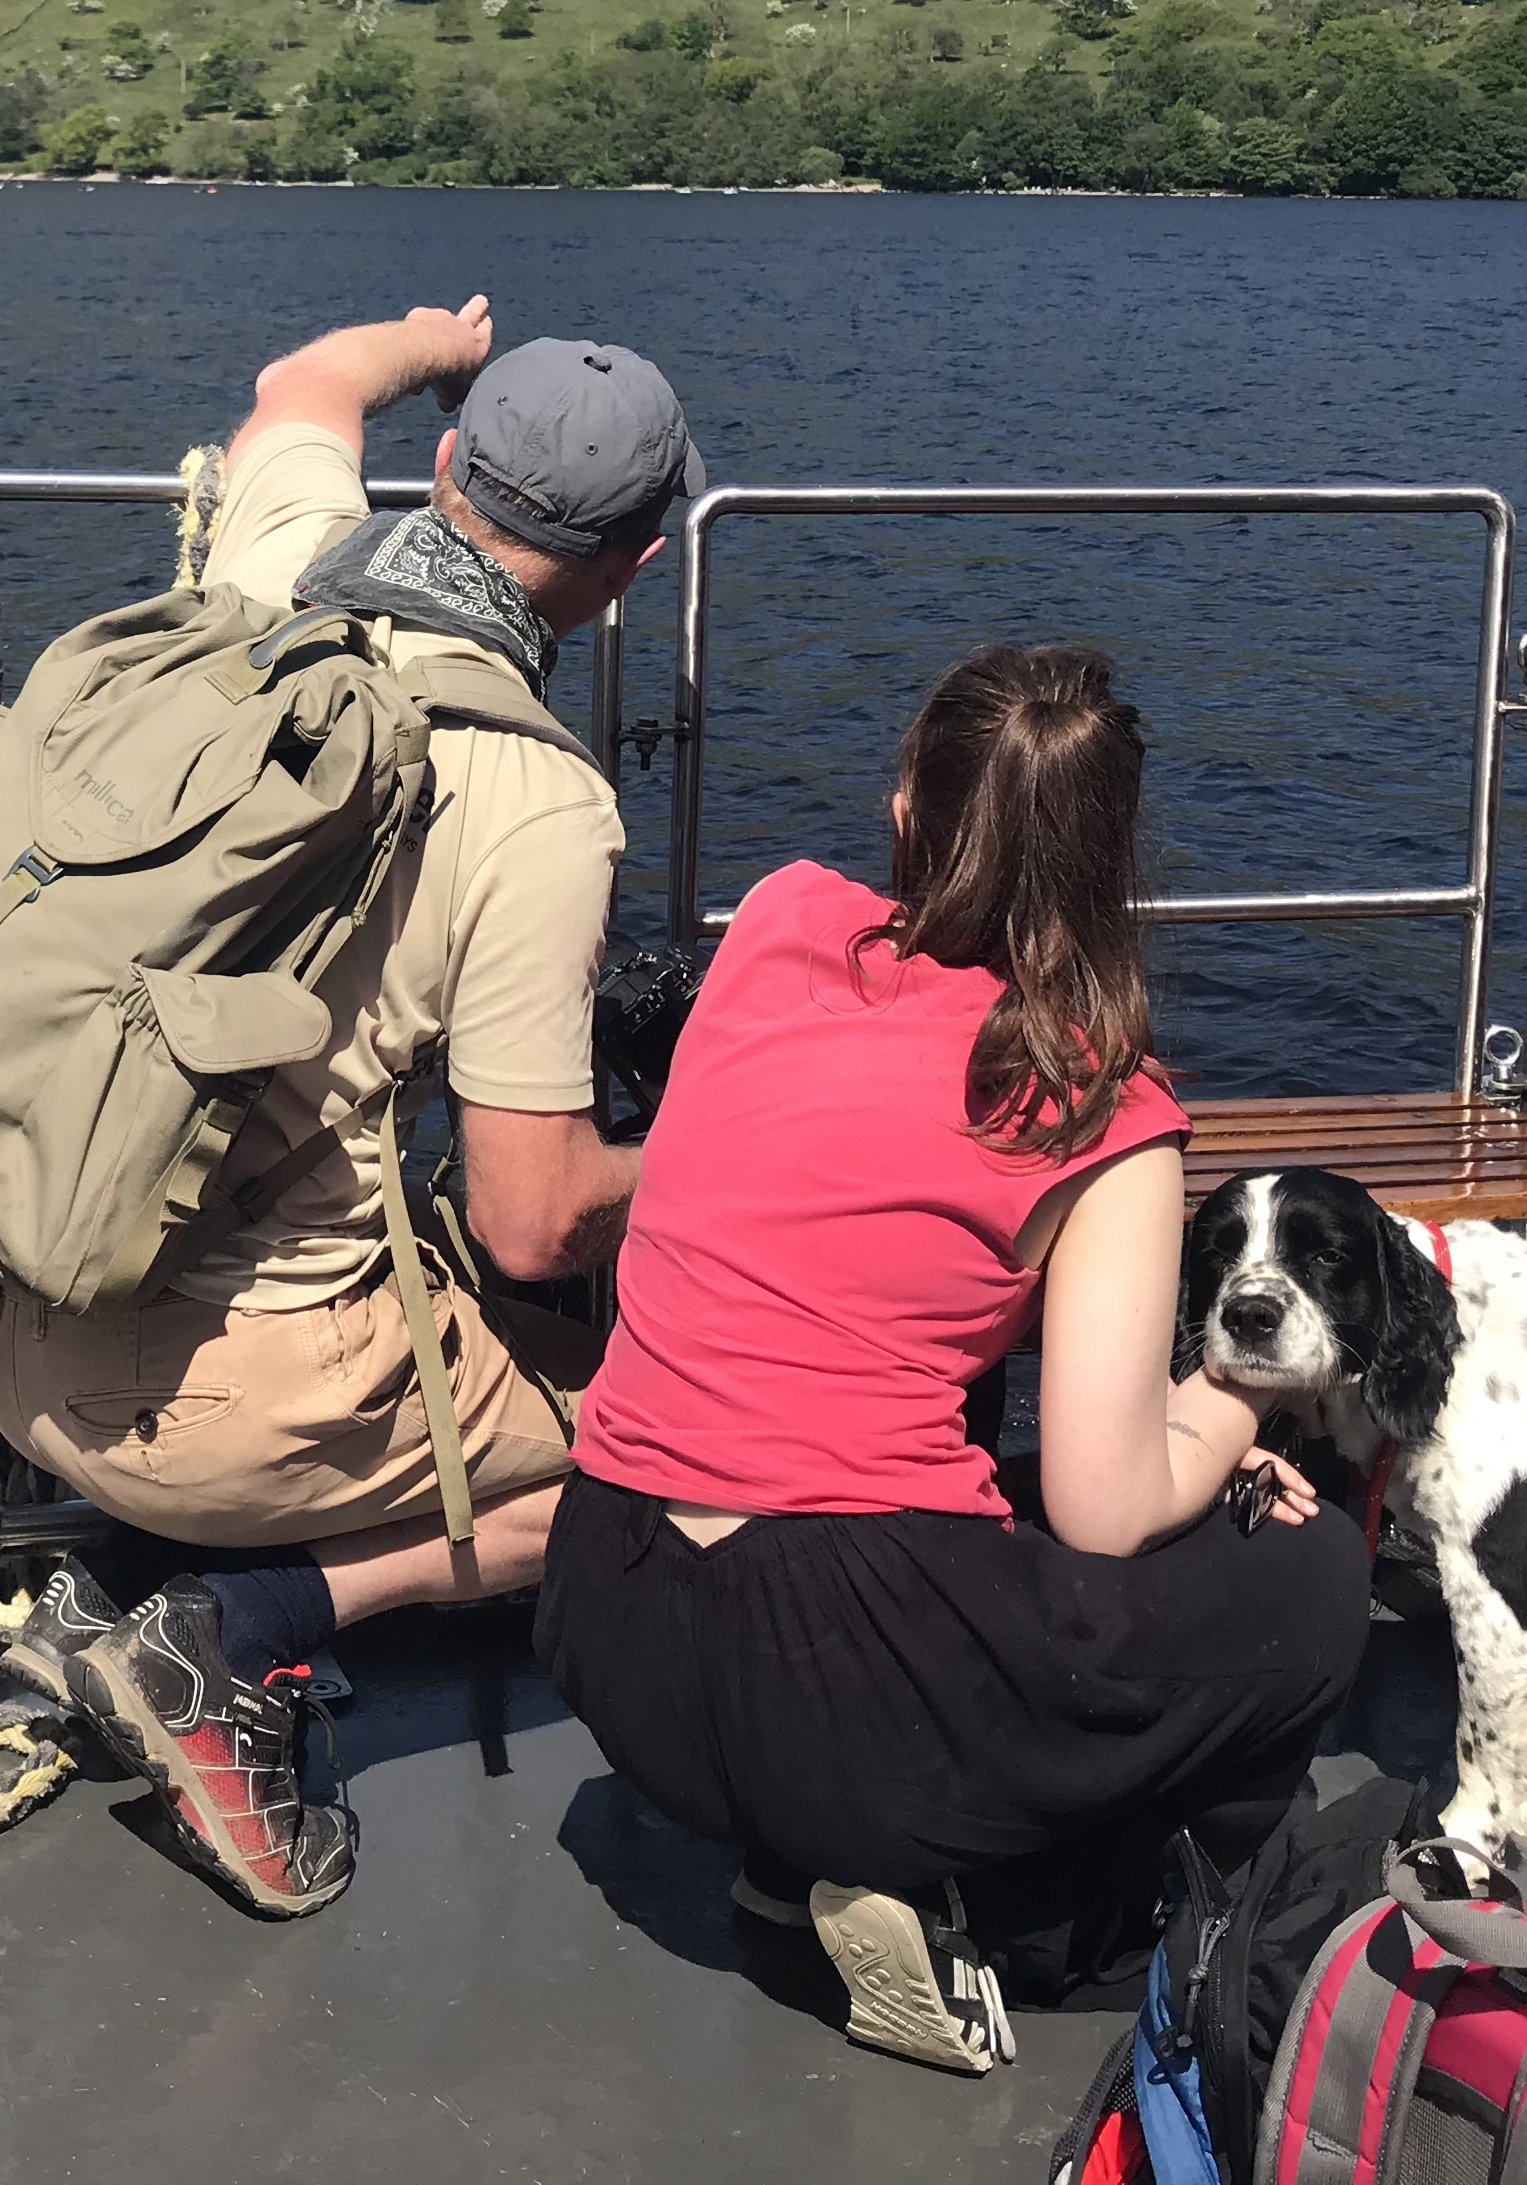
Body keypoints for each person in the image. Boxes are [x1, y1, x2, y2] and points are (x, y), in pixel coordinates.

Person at [0, 293, 704, 1918]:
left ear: (443, 470)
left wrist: (442, 334)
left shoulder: (272, 569)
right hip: (221, 1422)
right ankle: (248, 1631)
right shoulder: (536, 799)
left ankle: (172, 1567)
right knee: (688, 1459)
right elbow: (532, 1217)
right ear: (641, 565)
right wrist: (732, 1143)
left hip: (16, 1324)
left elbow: (300, 378)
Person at [536, 644, 1368, 2072]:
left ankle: (799, 1858)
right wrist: (1243, 1406)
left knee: (960, 1422)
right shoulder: (1102, 1107)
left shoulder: (781, 923)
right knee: (1306, 1578)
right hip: (832, 1686)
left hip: (607, 1610)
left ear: (908, 808)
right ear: (1114, 858)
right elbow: (1107, 1511)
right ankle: (1080, 1917)